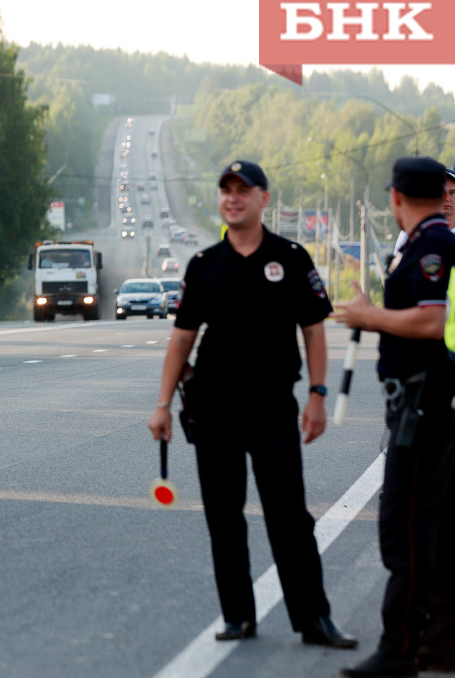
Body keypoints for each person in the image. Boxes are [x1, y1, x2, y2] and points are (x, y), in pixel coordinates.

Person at [148, 161, 357, 649]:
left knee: (290, 518)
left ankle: (314, 619)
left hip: (272, 411)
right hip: (214, 412)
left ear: (264, 198)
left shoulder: (291, 256)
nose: (233, 197)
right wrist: (161, 404)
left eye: (244, 190)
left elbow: (313, 330)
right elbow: (181, 340)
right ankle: (238, 615)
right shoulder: (205, 265)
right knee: (224, 516)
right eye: (225, 190)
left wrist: (318, 395)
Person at [333, 156, 455, 678]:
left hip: (424, 404)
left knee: (404, 528)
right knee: (426, 525)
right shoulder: (424, 241)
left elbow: (431, 322)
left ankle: (399, 648)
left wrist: (367, 316)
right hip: (419, 401)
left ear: (396, 197)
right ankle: (436, 642)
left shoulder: (432, 245)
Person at [389, 166, 455, 255]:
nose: (447, 198)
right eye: (441, 192)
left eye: (453, 192)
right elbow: (398, 266)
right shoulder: (411, 233)